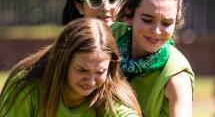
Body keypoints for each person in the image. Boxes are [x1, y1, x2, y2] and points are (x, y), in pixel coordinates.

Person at [0, 18, 141, 116]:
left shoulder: (111, 93)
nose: (91, 82)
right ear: (63, 63)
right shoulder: (27, 87)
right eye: (82, 70)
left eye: (100, 71)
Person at [112, 0, 194, 117]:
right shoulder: (110, 36)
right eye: (147, 20)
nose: (156, 31)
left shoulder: (176, 77)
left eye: (167, 23)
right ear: (129, 14)